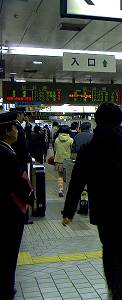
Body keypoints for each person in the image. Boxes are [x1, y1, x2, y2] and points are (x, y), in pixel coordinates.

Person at [62, 103, 122, 300]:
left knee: (109, 251)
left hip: (102, 211)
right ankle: (120, 294)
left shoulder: (88, 149)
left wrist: (68, 212)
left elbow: (76, 183)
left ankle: (113, 289)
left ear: (96, 121)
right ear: (120, 121)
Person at [0, 112, 34, 300]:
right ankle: (7, 289)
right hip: (10, 212)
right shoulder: (6, 154)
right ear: (6, 131)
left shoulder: (5, 150)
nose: (17, 131)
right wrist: (30, 196)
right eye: (14, 127)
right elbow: (18, 184)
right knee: (9, 252)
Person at [54, 125, 74, 197]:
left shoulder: (57, 139)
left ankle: (60, 190)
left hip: (59, 160)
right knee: (69, 176)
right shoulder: (71, 140)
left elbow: (55, 150)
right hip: (68, 161)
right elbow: (72, 151)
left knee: (60, 176)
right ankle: (69, 191)